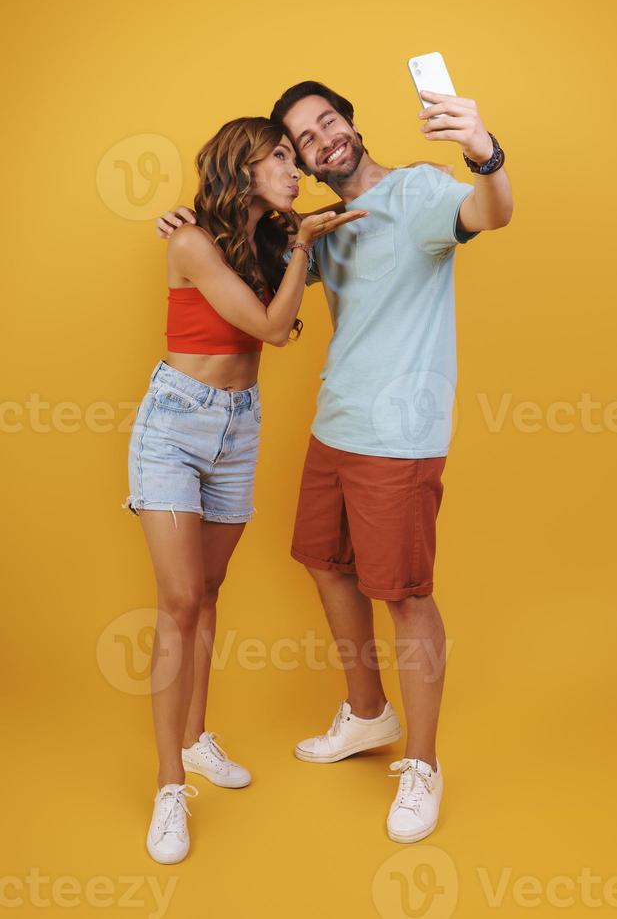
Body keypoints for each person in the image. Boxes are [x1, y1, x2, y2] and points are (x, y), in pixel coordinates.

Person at [159, 79, 513, 844]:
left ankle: (422, 764)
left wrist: (484, 152)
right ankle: (366, 713)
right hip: (336, 424)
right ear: (305, 162)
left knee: (406, 595)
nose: (323, 141)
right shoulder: (319, 225)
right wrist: (189, 223)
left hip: (399, 436)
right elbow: (257, 282)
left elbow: (490, 212)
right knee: (325, 561)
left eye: (328, 123)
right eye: (303, 141)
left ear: (351, 123)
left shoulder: (419, 192)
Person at [124, 115, 365, 864]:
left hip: (237, 427)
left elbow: (282, 327)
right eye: (281, 159)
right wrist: (300, 245)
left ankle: (195, 741)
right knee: (180, 601)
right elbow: (268, 324)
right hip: (174, 426)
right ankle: (170, 789)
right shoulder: (191, 241)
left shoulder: (258, 243)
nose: (295, 171)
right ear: (244, 167)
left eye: (295, 160)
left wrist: (290, 238)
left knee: (212, 592)